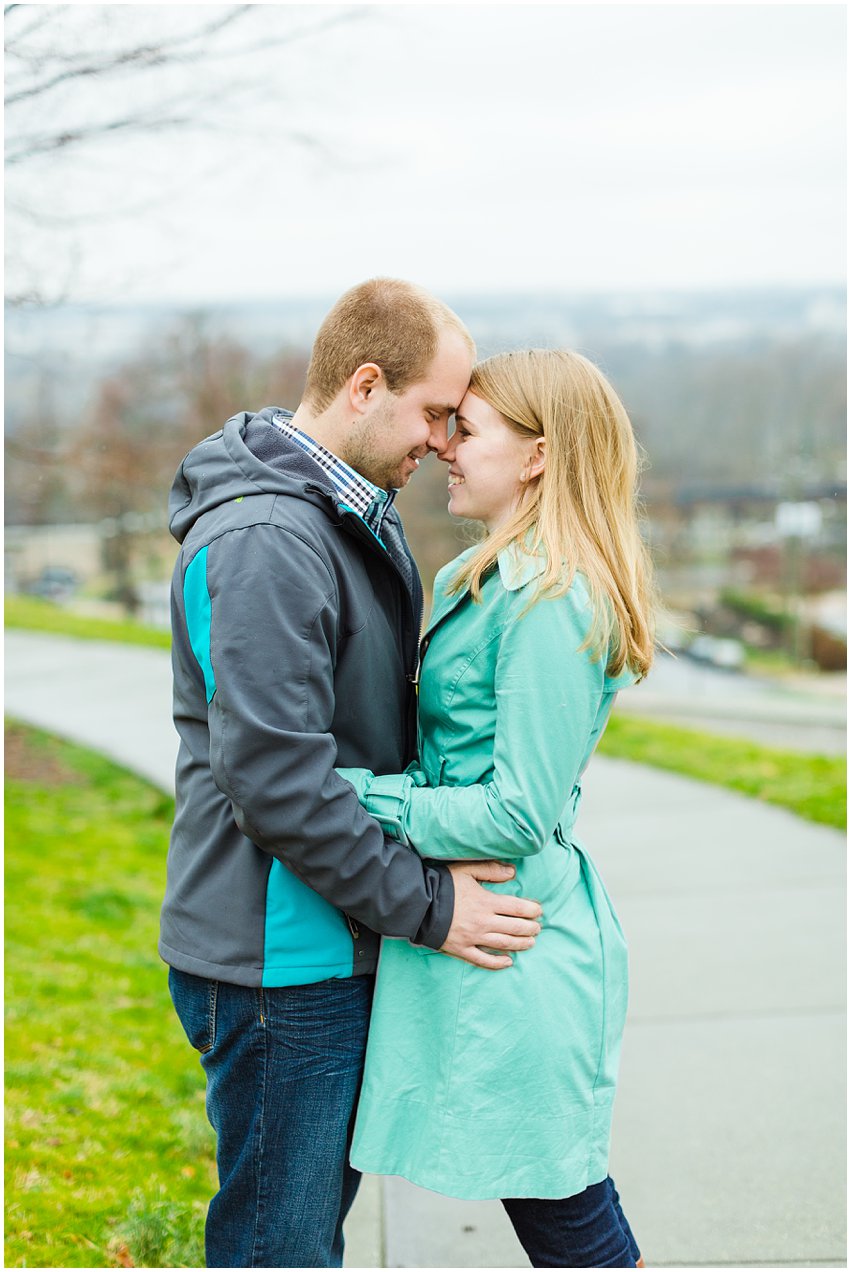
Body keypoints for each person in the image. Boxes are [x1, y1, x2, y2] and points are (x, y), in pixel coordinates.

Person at [160, 279, 544, 1269]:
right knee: (278, 1248)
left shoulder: (338, 513)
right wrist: (428, 908)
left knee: (297, 1235)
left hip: (322, 941)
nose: (441, 442)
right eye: (430, 414)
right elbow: (277, 784)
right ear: (363, 385)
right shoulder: (264, 542)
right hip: (277, 963)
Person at [338, 348, 655, 1268]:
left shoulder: (552, 602)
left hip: (518, 935)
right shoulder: (484, 577)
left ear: (537, 456)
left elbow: (519, 812)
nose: (442, 445)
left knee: (564, 1209)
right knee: (550, 1197)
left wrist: (355, 797)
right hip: (482, 932)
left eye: (465, 430)